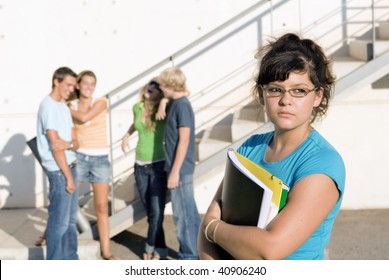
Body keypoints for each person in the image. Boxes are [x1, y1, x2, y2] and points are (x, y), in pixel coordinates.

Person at [198, 33, 346, 260]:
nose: (286, 100)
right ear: (261, 94)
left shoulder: (322, 163)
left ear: (317, 96)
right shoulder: (250, 148)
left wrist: (213, 229)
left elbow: (269, 250)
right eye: (275, 89)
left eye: (299, 90)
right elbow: (206, 231)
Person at [68, 70, 120, 260]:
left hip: (100, 160)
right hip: (79, 158)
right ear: (78, 85)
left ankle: (106, 252)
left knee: (101, 207)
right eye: (85, 83)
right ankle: (49, 235)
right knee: (67, 199)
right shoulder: (71, 104)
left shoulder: (100, 102)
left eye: (92, 84)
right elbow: (73, 131)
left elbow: (84, 118)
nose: (89, 87)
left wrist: (66, 109)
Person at [121, 78, 168, 260]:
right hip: (139, 166)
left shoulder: (163, 108)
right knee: (151, 212)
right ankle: (161, 249)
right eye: (149, 87)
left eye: (155, 89)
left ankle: (150, 247)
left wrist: (164, 101)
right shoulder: (138, 107)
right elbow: (136, 124)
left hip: (158, 166)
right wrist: (126, 135)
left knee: (156, 212)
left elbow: (183, 94)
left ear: (160, 93)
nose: (150, 90)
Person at [36, 66, 80, 260]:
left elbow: (76, 142)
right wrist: (68, 177)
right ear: (57, 81)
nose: (72, 89)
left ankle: (71, 260)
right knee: (59, 223)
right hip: (60, 172)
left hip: (71, 167)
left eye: (73, 86)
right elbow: (56, 146)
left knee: (70, 222)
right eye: (69, 85)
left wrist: (68, 143)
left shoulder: (63, 107)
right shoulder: (48, 106)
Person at [158, 67, 201, 260]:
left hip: (181, 170)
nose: (160, 88)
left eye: (162, 85)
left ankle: (189, 257)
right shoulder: (176, 102)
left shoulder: (182, 105)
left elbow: (184, 140)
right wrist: (163, 101)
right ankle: (199, 253)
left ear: (171, 85)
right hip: (180, 169)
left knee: (183, 216)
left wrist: (174, 172)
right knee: (189, 213)